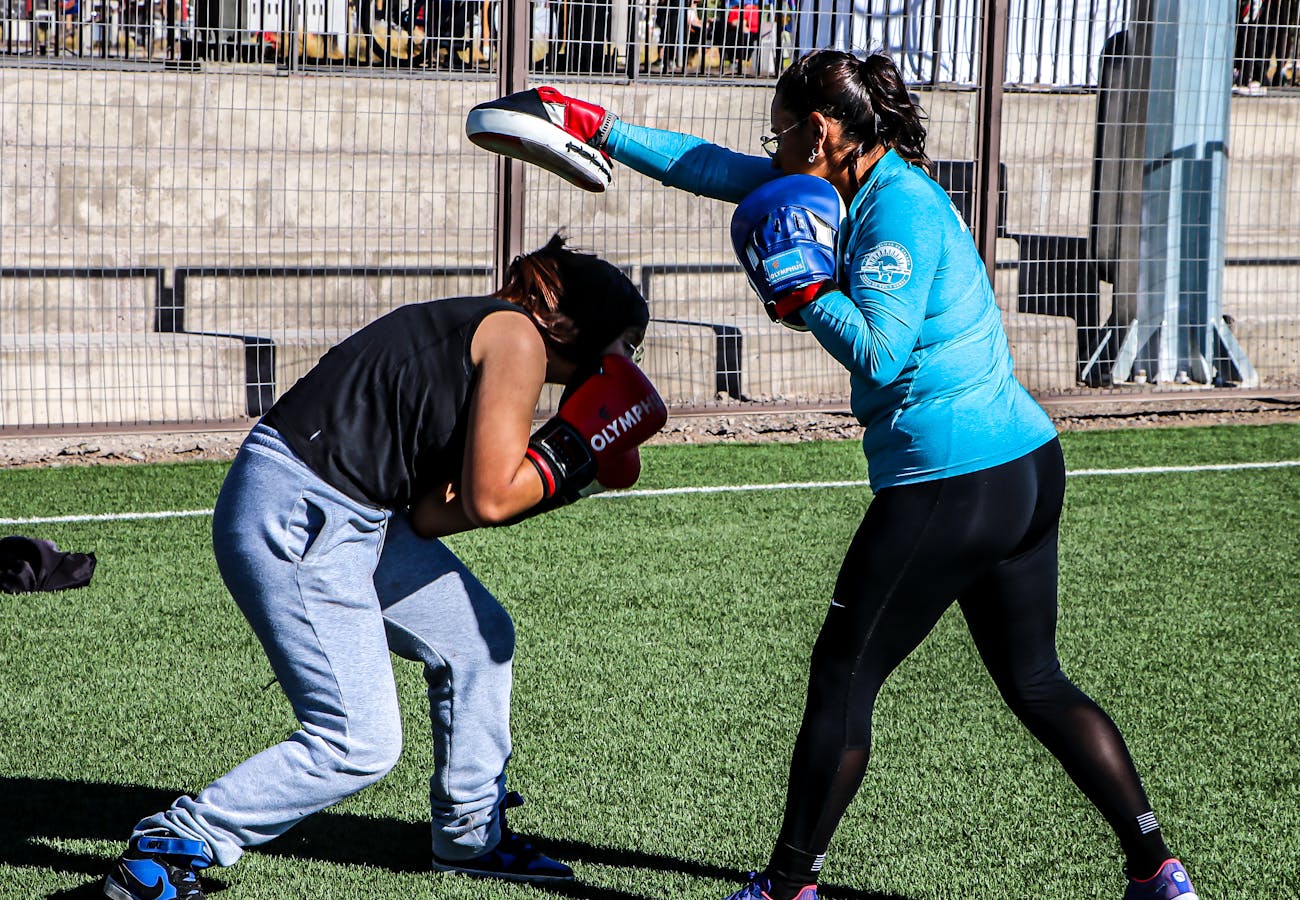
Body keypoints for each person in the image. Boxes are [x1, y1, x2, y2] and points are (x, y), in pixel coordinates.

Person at [490, 50, 1200, 900]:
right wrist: (599, 127)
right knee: (1035, 680)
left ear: (820, 132)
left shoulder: (898, 210)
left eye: (780, 137)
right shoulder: (856, 179)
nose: (772, 153)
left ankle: (789, 886)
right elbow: (714, 169)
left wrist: (803, 290)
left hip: (952, 480)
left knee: (843, 677)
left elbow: (880, 351)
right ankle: (1158, 870)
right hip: (1021, 464)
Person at [101, 233, 666, 900]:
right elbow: (492, 499)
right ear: (583, 324)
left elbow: (432, 514)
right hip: (305, 509)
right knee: (357, 743)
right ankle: (172, 844)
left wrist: (570, 473)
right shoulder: (517, 339)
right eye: (628, 344)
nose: (629, 363)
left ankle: (469, 836)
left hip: (347, 512)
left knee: (478, 639)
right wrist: (574, 456)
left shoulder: (489, 334)